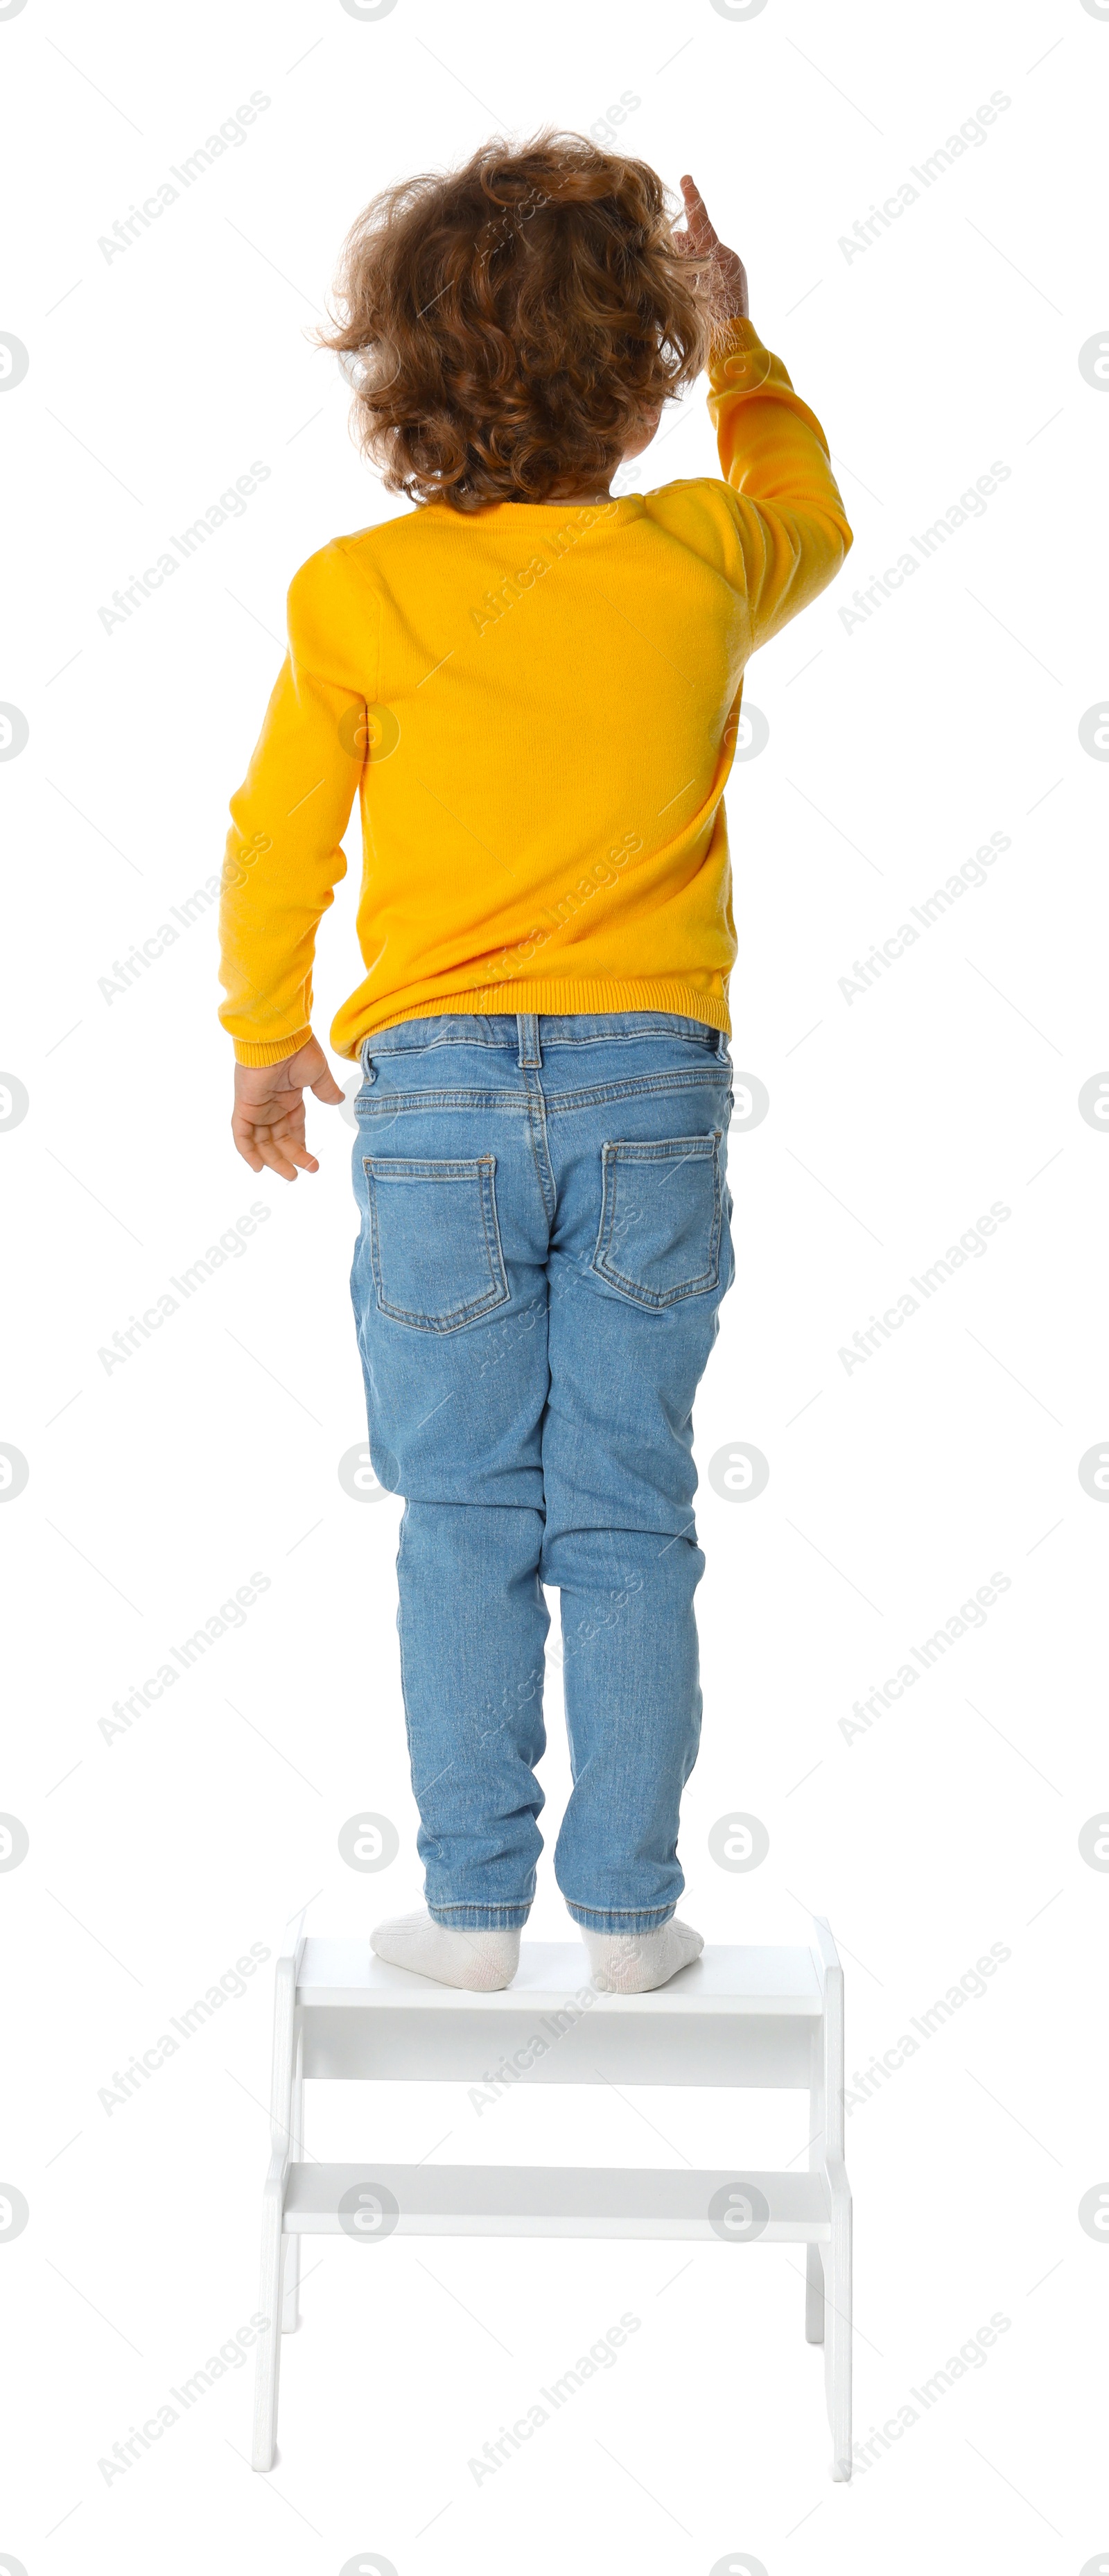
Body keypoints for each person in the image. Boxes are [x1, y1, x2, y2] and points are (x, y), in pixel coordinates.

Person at [219, 136, 852, 1996]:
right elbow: (807, 502)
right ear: (642, 368)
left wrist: (268, 1032)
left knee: (465, 1508)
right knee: (627, 1506)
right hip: (653, 1090)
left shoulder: (355, 594)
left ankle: (476, 1914)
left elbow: (280, 835)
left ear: (402, 373)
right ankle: (637, 1911)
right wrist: (746, 350)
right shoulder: (703, 556)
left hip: (426, 1108)